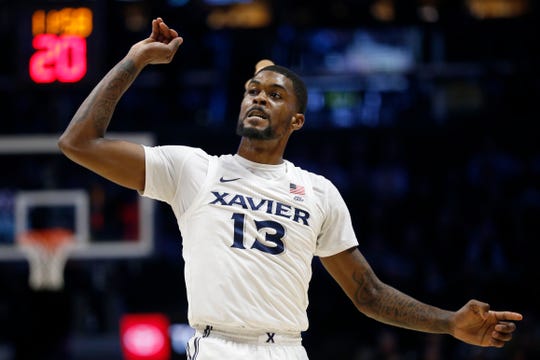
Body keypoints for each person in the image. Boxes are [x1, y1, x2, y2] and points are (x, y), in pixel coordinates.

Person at [58, 17, 523, 359]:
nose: (259, 97)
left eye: (274, 95)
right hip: (217, 345)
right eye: (253, 90)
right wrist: (134, 60)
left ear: (296, 121)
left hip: (288, 349)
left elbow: (369, 294)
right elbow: (78, 143)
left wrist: (449, 323)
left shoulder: (318, 192)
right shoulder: (193, 169)